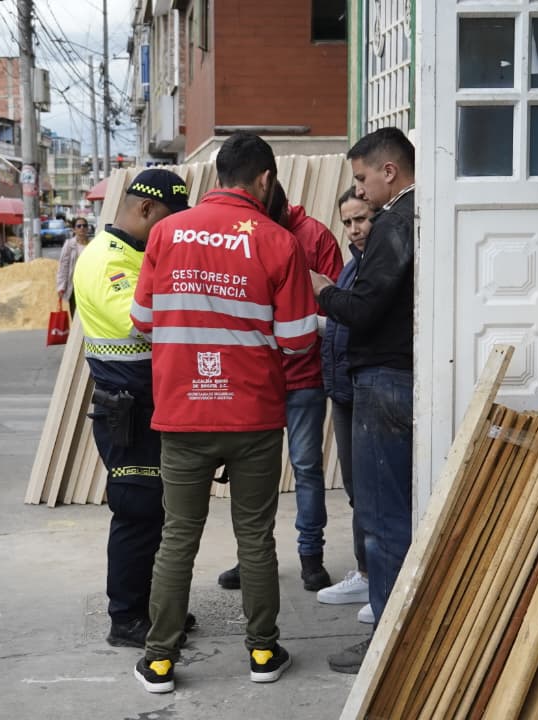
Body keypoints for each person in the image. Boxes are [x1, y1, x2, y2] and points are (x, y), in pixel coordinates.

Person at [131, 132, 318, 693]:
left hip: (183, 414)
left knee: (177, 536)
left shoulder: (165, 233)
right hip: (253, 417)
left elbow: (142, 320)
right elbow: (298, 339)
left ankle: (159, 660)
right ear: (265, 179)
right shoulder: (278, 241)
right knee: (255, 538)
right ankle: (262, 652)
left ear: (217, 176)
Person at [71, 169, 195, 650]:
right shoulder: (105, 260)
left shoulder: (135, 254)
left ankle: (153, 607)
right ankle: (125, 618)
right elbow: (140, 321)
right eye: (169, 219)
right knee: (136, 511)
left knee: (158, 513)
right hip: (127, 411)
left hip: (148, 407)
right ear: (145, 208)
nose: (173, 230)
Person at [311, 127, 416, 674]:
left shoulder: (395, 222)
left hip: (385, 381)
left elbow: (366, 309)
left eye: (361, 178)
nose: (359, 190)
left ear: (389, 172)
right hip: (402, 377)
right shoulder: (421, 215)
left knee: (381, 520)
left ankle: (387, 641)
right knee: (392, 513)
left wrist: (323, 292)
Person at [216, 181, 344, 593]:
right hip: (256, 377)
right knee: (251, 472)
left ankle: (311, 557)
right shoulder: (244, 232)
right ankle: (252, 558)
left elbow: (338, 302)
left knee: (306, 468)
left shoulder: (315, 236)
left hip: (302, 376)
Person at [316, 189, 376, 624]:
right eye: (348, 223)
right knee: (357, 489)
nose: (354, 230)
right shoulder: (353, 264)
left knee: (376, 491)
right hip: (344, 390)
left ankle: (382, 578)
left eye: (362, 219)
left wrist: (324, 294)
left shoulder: (379, 263)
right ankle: (366, 572)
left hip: (366, 388)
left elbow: (362, 317)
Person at [56, 217, 91, 314]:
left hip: (90, 285)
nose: (82, 228)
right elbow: (63, 267)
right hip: (75, 286)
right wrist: (61, 286)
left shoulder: (93, 244)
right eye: (79, 226)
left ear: (87, 228)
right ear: (74, 229)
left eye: (84, 226)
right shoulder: (69, 245)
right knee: (75, 313)